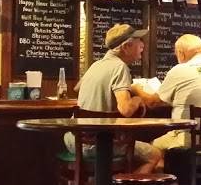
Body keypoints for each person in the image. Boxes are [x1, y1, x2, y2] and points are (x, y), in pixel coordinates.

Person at [69, 24, 162, 174]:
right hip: (98, 144)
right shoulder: (120, 67)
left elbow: (77, 88)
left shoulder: (96, 65)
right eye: (138, 41)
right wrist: (137, 99)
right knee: (154, 155)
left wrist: (126, 88)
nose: (142, 45)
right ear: (126, 47)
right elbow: (126, 110)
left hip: (74, 140)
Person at [132, 34, 201, 152]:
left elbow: (152, 103)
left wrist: (136, 88)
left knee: (151, 151)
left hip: (192, 140)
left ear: (181, 53)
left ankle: (166, 165)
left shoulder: (180, 69)